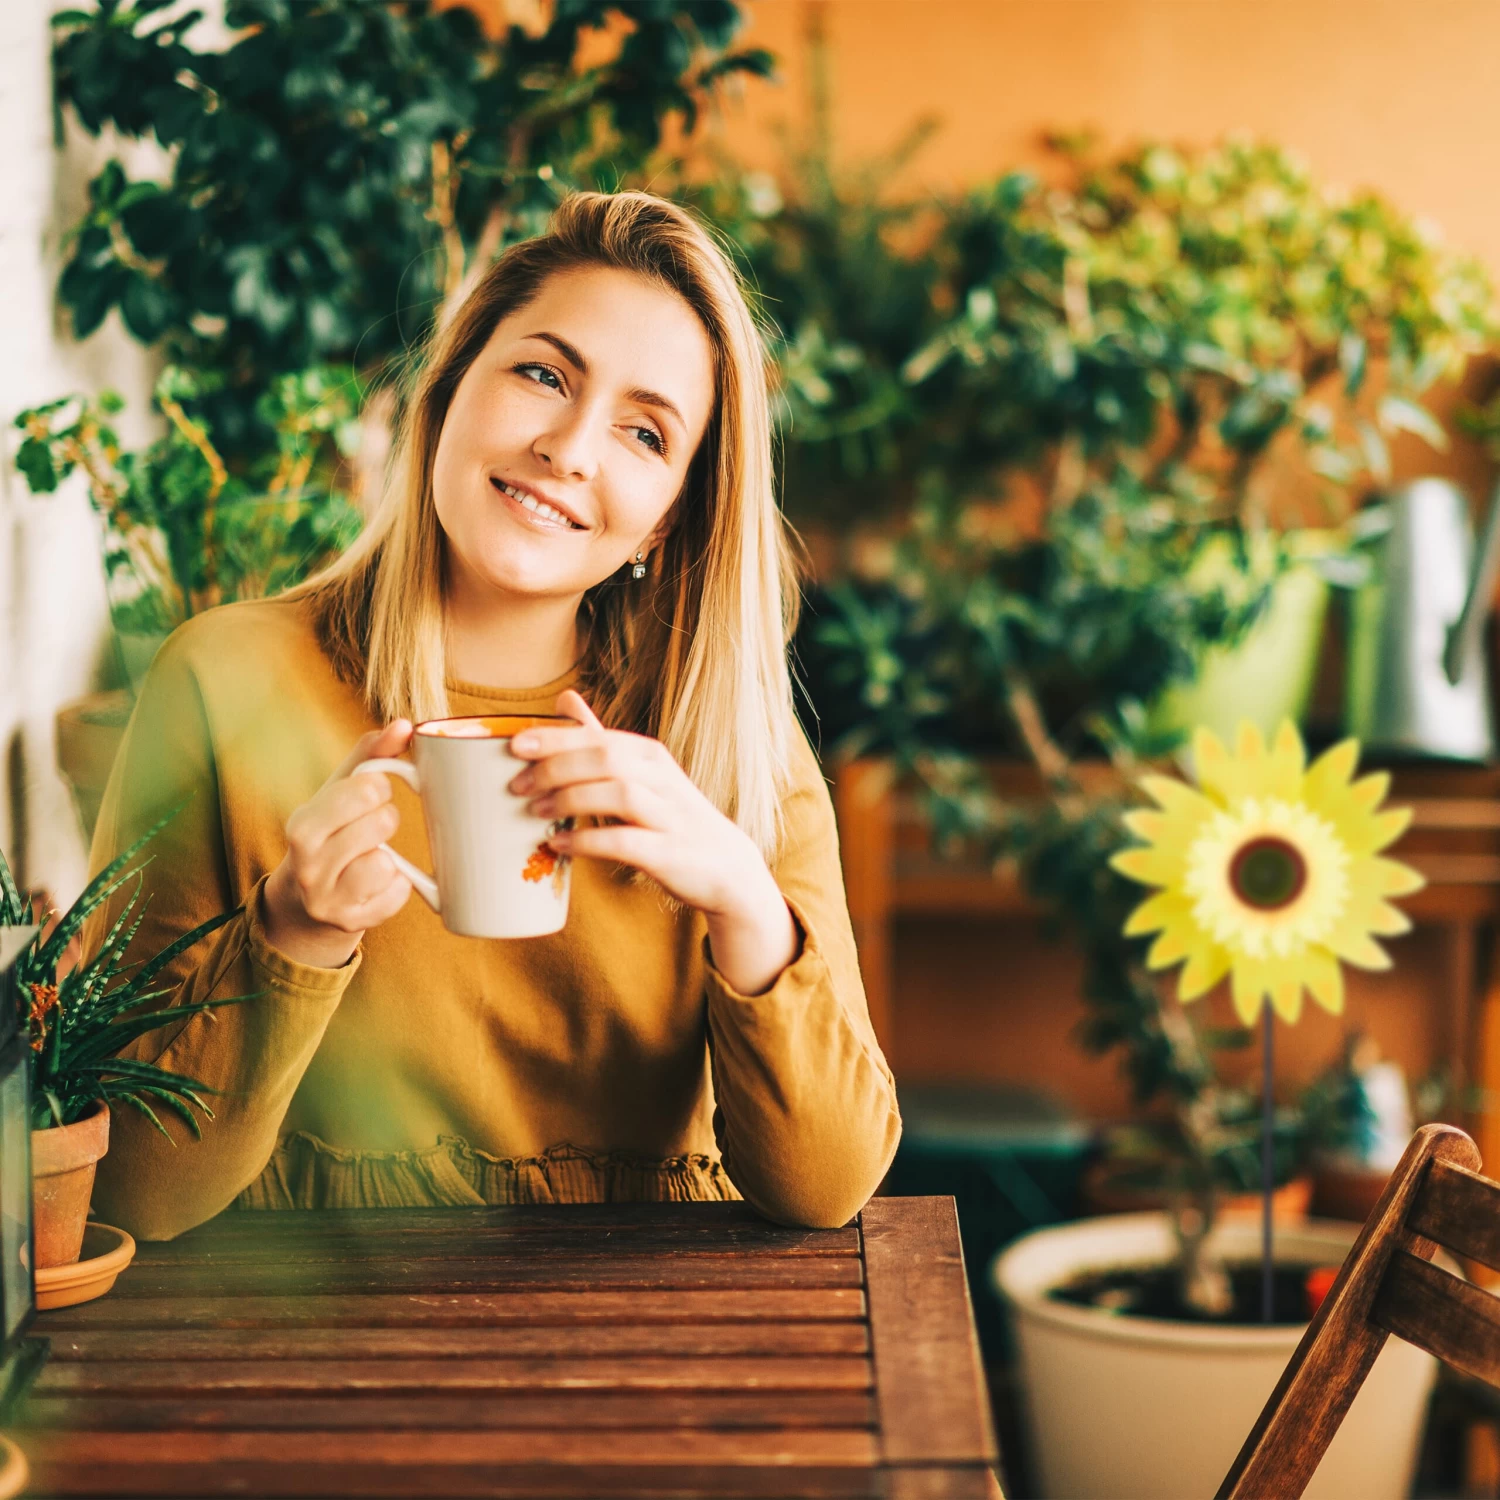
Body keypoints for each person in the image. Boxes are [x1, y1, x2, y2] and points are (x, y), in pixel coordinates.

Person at [87, 191, 901, 1239]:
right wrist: (292, 932)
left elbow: (828, 1189)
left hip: (668, 1353)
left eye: (644, 432)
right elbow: (136, 1197)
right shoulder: (225, 682)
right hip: (306, 1343)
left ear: (675, 511)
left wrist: (744, 900)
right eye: (542, 374)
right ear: (449, 389)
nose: (569, 447)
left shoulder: (729, 739)